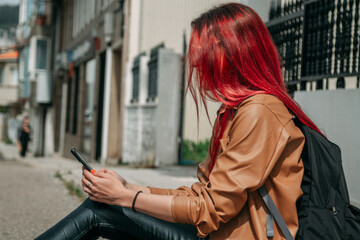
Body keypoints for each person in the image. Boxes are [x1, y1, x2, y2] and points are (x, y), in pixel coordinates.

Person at [36, 3, 324, 239]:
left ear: (233, 53)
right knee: (101, 206)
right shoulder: (234, 110)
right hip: (216, 234)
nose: (197, 63)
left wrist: (123, 199)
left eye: (203, 53)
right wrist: (130, 189)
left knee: (100, 211)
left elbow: (210, 209)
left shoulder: (260, 111)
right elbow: (201, 193)